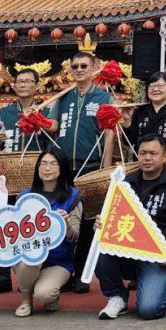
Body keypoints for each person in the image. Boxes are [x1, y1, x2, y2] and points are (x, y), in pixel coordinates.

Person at [95, 134, 166, 320]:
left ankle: (151, 283)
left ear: (164, 157)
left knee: (149, 310)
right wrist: (102, 222)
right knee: (99, 248)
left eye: (153, 153)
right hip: (127, 250)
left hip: (159, 257)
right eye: (143, 153)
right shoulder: (124, 183)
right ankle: (117, 296)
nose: (147, 158)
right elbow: (111, 214)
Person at [0, 67, 60, 295]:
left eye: (28, 81)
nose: (23, 85)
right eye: (19, 81)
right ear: (14, 86)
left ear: (37, 86)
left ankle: (37, 270)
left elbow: (54, 137)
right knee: (4, 220)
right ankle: (4, 274)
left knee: (34, 220)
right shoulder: (4, 112)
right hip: (8, 172)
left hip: (36, 172)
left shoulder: (46, 110)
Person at [55, 49, 114, 292]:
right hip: (65, 168)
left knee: (89, 223)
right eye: (75, 66)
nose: (79, 70)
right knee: (64, 220)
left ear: (94, 69)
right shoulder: (62, 97)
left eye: (84, 66)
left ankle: (83, 274)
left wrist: (106, 167)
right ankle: (64, 271)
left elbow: (110, 132)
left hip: (91, 167)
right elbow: (54, 125)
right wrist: (34, 121)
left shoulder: (103, 98)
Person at [14, 150, 82, 317]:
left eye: (53, 163)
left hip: (59, 262)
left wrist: (65, 224)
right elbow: (13, 230)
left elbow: (75, 236)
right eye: (43, 163)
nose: (47, 168)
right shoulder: (24, 196)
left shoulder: (73, 196)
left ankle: (48, 293)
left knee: (44, 294)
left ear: (63, 168)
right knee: (28, 261)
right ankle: (25, 300)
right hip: (29, 256)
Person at [129, 71, 166, 148]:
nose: (156, 89)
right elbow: (129, 142)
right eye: (152, 86)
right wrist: (127, 120)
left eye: (160, 86)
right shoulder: (139, 111)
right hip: (141, 159)